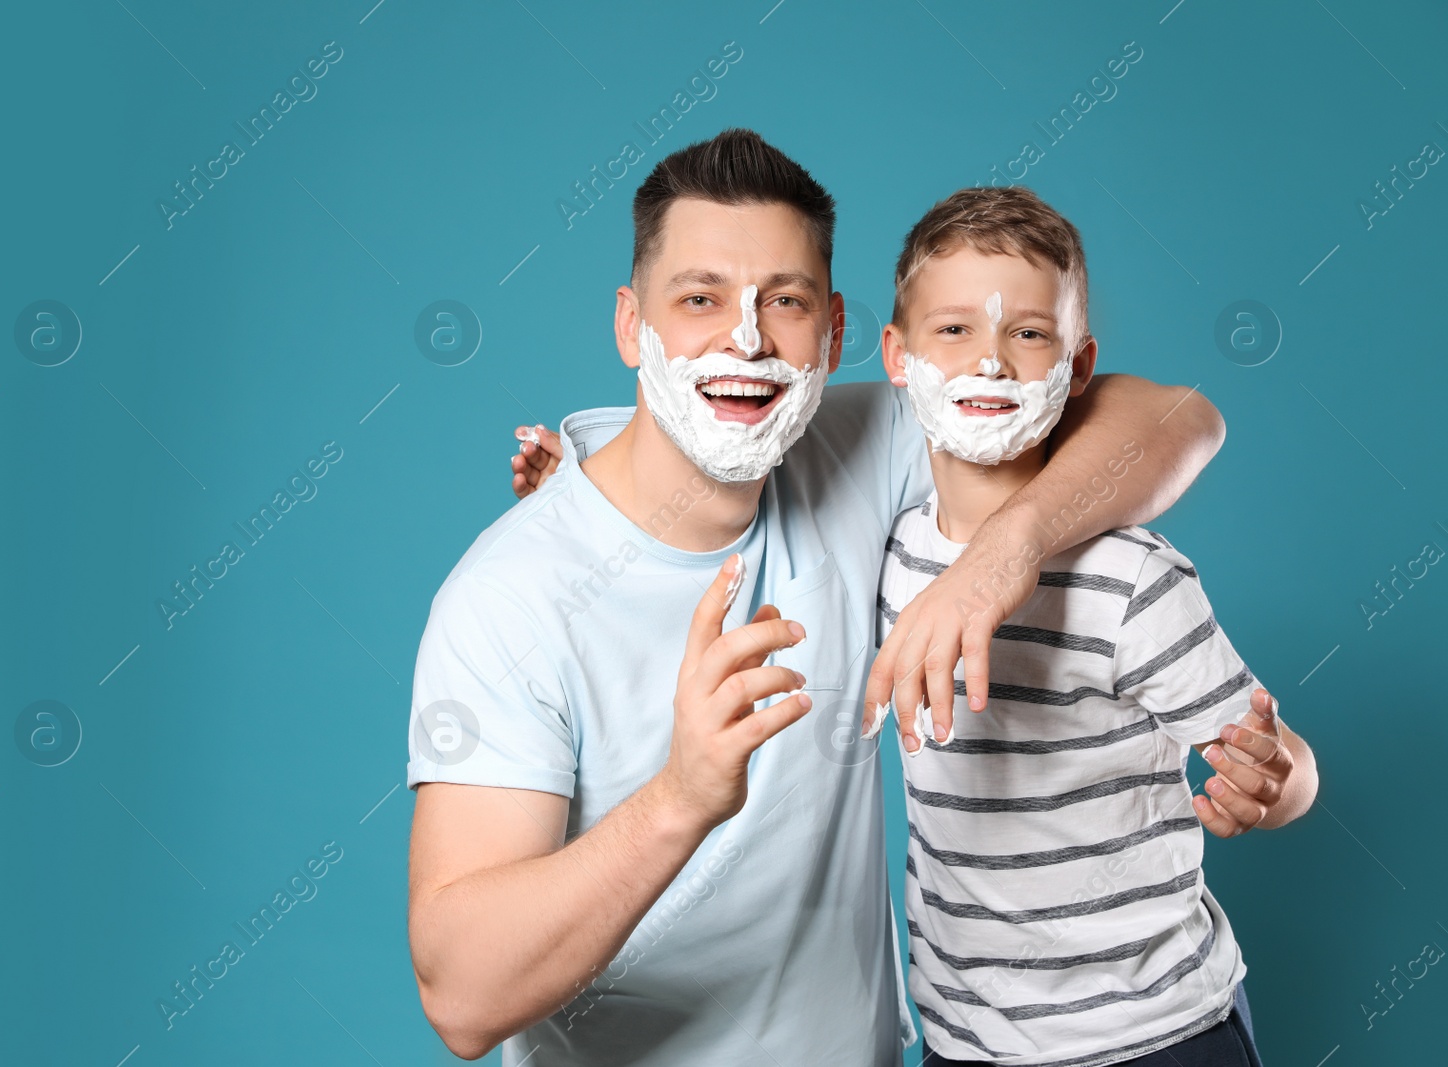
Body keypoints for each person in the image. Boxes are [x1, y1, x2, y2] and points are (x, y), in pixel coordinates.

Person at [410, 127, 1245, 1066]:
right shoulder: (509, 597)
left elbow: (1176, 416)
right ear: (629, 325)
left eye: (786, 302)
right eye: (699, 298)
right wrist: (682, 797)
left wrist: (1008, 548)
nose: (745, 337)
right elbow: (462, 996)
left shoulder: (858, 452)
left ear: (839, 336)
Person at [871, 185, 1318, 1065]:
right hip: (965, 1043)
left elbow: (1288, 765)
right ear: (897, 355)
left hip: (1154, 1035)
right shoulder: (887, 556)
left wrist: (1274, 782)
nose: (989, 364)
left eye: (1028, 333)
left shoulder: (1130, 580)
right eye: (953, 329)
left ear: (1078, 367)